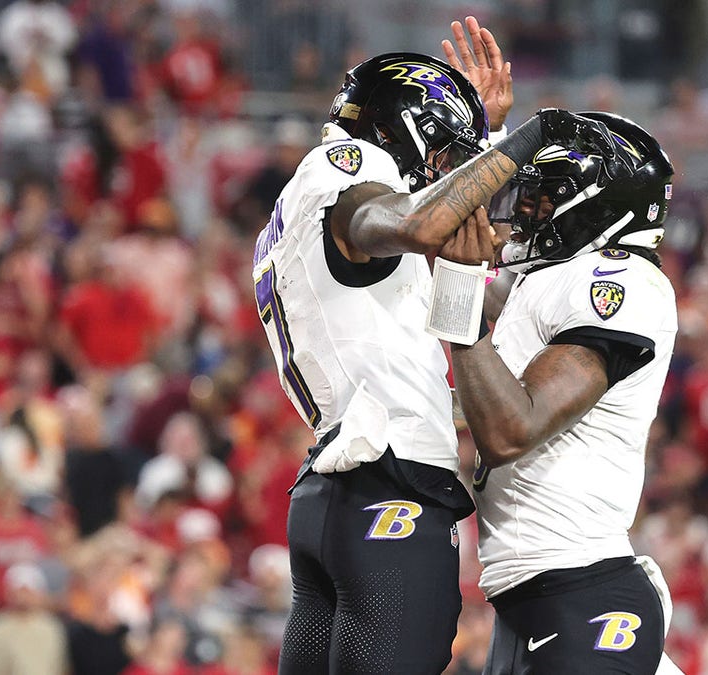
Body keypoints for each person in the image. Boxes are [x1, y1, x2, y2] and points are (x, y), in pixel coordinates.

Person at [252, 15, 629, 673]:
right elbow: (422, 219)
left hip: (337, 493)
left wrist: (486, 138)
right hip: (388, 486)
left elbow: (452, 278)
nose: (451, 172)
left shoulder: (307, 213)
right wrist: (531, 137)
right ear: (404, 133)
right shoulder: (347, 169)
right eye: (446, 154)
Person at [448, 111, 680, 674]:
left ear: (600, 205)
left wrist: (456, 292)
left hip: (580, 594)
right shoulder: (550, 278)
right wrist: (488, 134)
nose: (526, 211)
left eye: (544, 197)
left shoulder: (620, 282)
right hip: (534, 601)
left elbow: (510, 429)